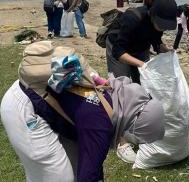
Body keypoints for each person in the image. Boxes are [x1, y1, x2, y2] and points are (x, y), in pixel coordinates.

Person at [0, 44, 165, 182]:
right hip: (24, 106)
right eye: (136, 136)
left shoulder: (116, 97)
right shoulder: (100, 124)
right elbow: (90, 175)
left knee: (71, 166)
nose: (131, 140)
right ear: (135, 122)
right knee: (58, 176)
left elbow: (88, 162)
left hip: (33, 90)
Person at [105, 0, 177, 163]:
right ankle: (121, 142)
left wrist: (168, 52)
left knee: (142, 89)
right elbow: (119, 51)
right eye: (161, 24)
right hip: (118, 48)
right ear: (152, 14)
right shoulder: (133, 19)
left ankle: (138, 128)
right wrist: (142, 65)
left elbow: (156, 42)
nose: (163, 28)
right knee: (121, 92)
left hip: (138, 48)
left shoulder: (156, 25)